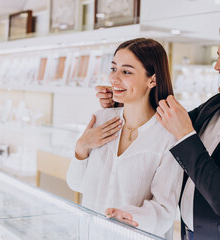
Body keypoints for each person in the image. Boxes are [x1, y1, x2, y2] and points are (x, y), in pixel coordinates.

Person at [96, 20, 220, 240]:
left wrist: (185, 135)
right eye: (218, 55)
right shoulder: (217, 103)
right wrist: (122, 103)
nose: (217, 65)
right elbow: (164, 122)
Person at [66, 38, 183, 238]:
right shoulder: (101, 118)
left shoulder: (168, 135)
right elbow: (76, 184)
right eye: (113, 69)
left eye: (126, 71)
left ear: (152, 80)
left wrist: (130, 216)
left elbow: (165, 209)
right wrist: (81, 147)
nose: (114, 78)